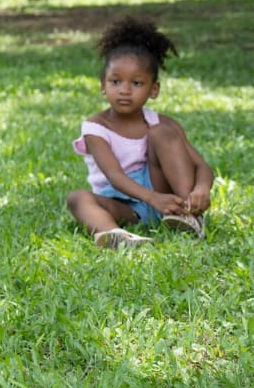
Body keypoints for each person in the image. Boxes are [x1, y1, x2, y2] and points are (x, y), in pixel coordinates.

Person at [66, 16, 213, 248]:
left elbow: (202, 166)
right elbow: (115, 177)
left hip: (168, 199)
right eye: (115, 82)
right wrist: (153, 199)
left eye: (136, 83)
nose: (124, 90)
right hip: (122, 202)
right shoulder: (95, 128)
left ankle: (189, 215)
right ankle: (116, 235)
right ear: (103, 85)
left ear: (153, 89)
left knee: (161, 133)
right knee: (77, 198)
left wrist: (201, 189)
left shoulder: (161, 123)